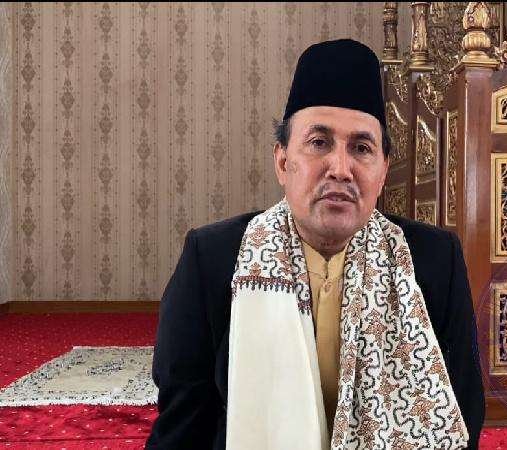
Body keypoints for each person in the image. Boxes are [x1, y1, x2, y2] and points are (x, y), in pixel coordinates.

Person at [146, 39, 484, 450]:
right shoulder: (213, 259)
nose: (340, 169)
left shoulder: (434, 261)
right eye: (319, 142)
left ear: (382, 172)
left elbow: (462, 414)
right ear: (283, 161)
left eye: (361, 148)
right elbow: (183, 425)